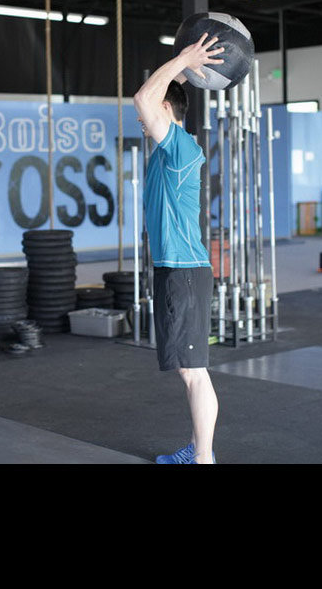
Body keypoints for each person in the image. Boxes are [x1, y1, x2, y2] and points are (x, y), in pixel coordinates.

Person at [133, 31, 225, 465]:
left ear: (166, 110)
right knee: (190, 371)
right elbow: (151, 100)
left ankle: (203, 459)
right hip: (175, 270)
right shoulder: (169, 151)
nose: (141, 121)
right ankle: (197, 449)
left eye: (155, 111)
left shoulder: (180, 148)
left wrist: (182, 58)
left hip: (185, 272)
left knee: (194, 373)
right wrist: (182, 72)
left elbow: (142, 100)